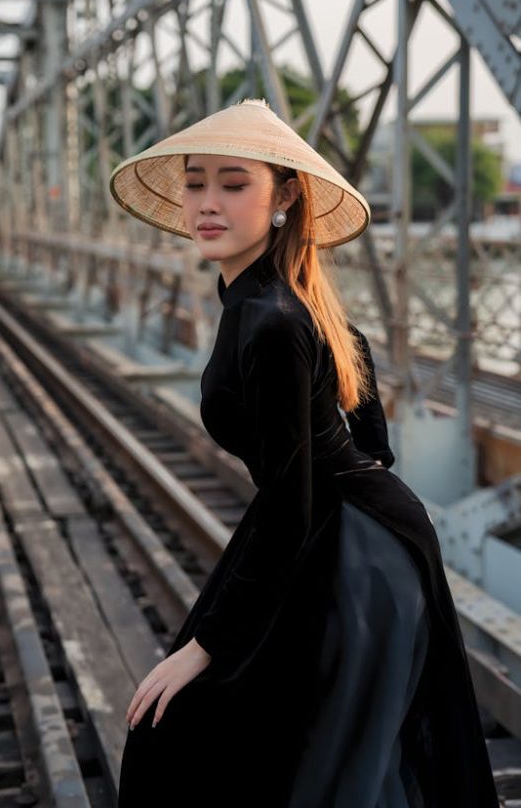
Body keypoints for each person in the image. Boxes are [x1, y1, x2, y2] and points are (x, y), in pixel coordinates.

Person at [108, 98, 499, 807]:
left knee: (306, 758)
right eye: (195, 182)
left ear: (283, 195)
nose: (207, 202)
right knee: (308, 753)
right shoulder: (267, 298)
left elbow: (290, 505)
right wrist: (367, 454)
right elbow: (354, 353)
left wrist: (206, 646)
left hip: (346, 542)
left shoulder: (270, 319)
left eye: (233, 183)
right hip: (340, 521)